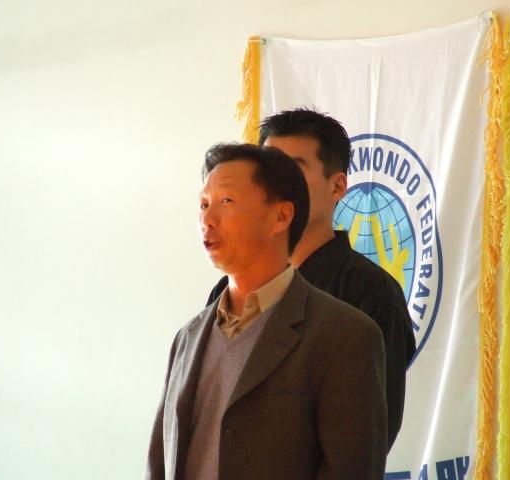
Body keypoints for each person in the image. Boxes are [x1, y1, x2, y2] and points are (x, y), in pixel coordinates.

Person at [147, 143, 387, 480]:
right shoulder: (187, 339)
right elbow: (159, 463)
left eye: (226, 201)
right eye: (203, 204)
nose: (207, 220)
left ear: (281, 216)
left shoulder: (344, 337)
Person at [207, 109, 416, 450]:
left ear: (338, 186)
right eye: (268, 172)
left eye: (293, 170)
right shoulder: (229, 288)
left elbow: (365, 444)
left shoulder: (369, 292)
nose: (277, 186)